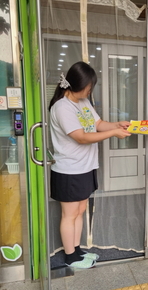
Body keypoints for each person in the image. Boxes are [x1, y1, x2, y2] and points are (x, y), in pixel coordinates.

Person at [49, 61, 131, 269]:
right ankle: (70, 256)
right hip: (69, 170)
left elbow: (97, 124)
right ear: (79, 84)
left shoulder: (83, 102)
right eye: (89, 86)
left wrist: (117, 125)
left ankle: (76, 250)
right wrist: (113, 133)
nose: (90, 90)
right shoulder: (62, 107)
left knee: (80, 209)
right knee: (70, 213)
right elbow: (82, 137)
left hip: (85, 167)